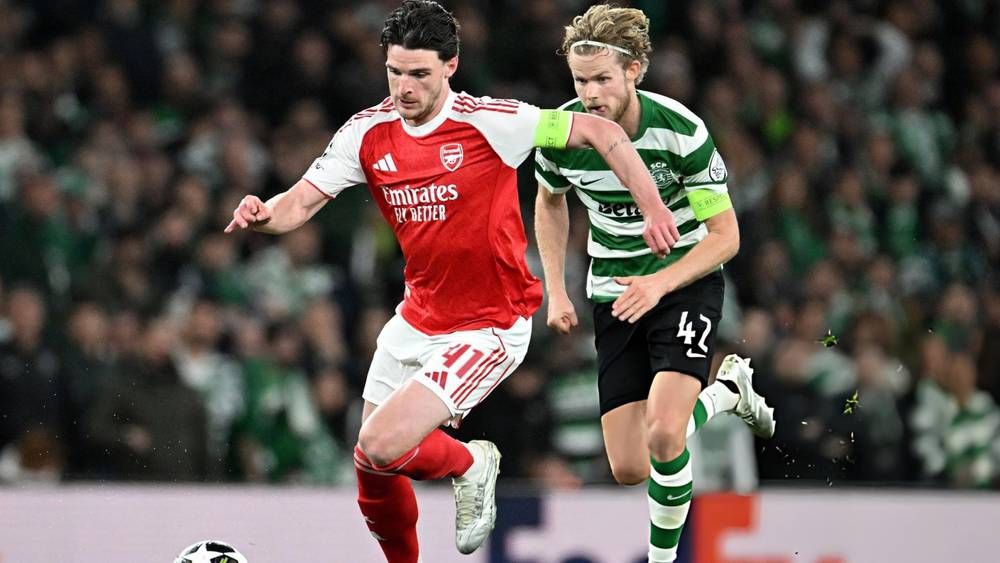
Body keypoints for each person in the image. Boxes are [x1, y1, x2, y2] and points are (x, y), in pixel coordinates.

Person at [224, 1, 679, 560]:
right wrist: (264, 213)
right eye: (395, 71)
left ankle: (471, 461)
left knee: (380, 443)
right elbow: (298, 203)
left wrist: (653, 207)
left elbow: (602, 131)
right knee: (371, 465)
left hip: (489, 326)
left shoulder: (491, 122)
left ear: (450, 66)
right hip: (418, 316)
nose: (404, 87)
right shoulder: (367, 133)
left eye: (419, 73)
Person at [533, 5, 776, 562]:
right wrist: (557, 288)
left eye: (602, 79)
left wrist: (661, 284)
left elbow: (726, 236)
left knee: (665, 434)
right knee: (629, 466)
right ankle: (726, 393)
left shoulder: (681, 132)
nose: (590, 94)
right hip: (614, 292)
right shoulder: (563, 133)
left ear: (634, 70)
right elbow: (549, 202)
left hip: (685, 282)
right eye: (580, 81)